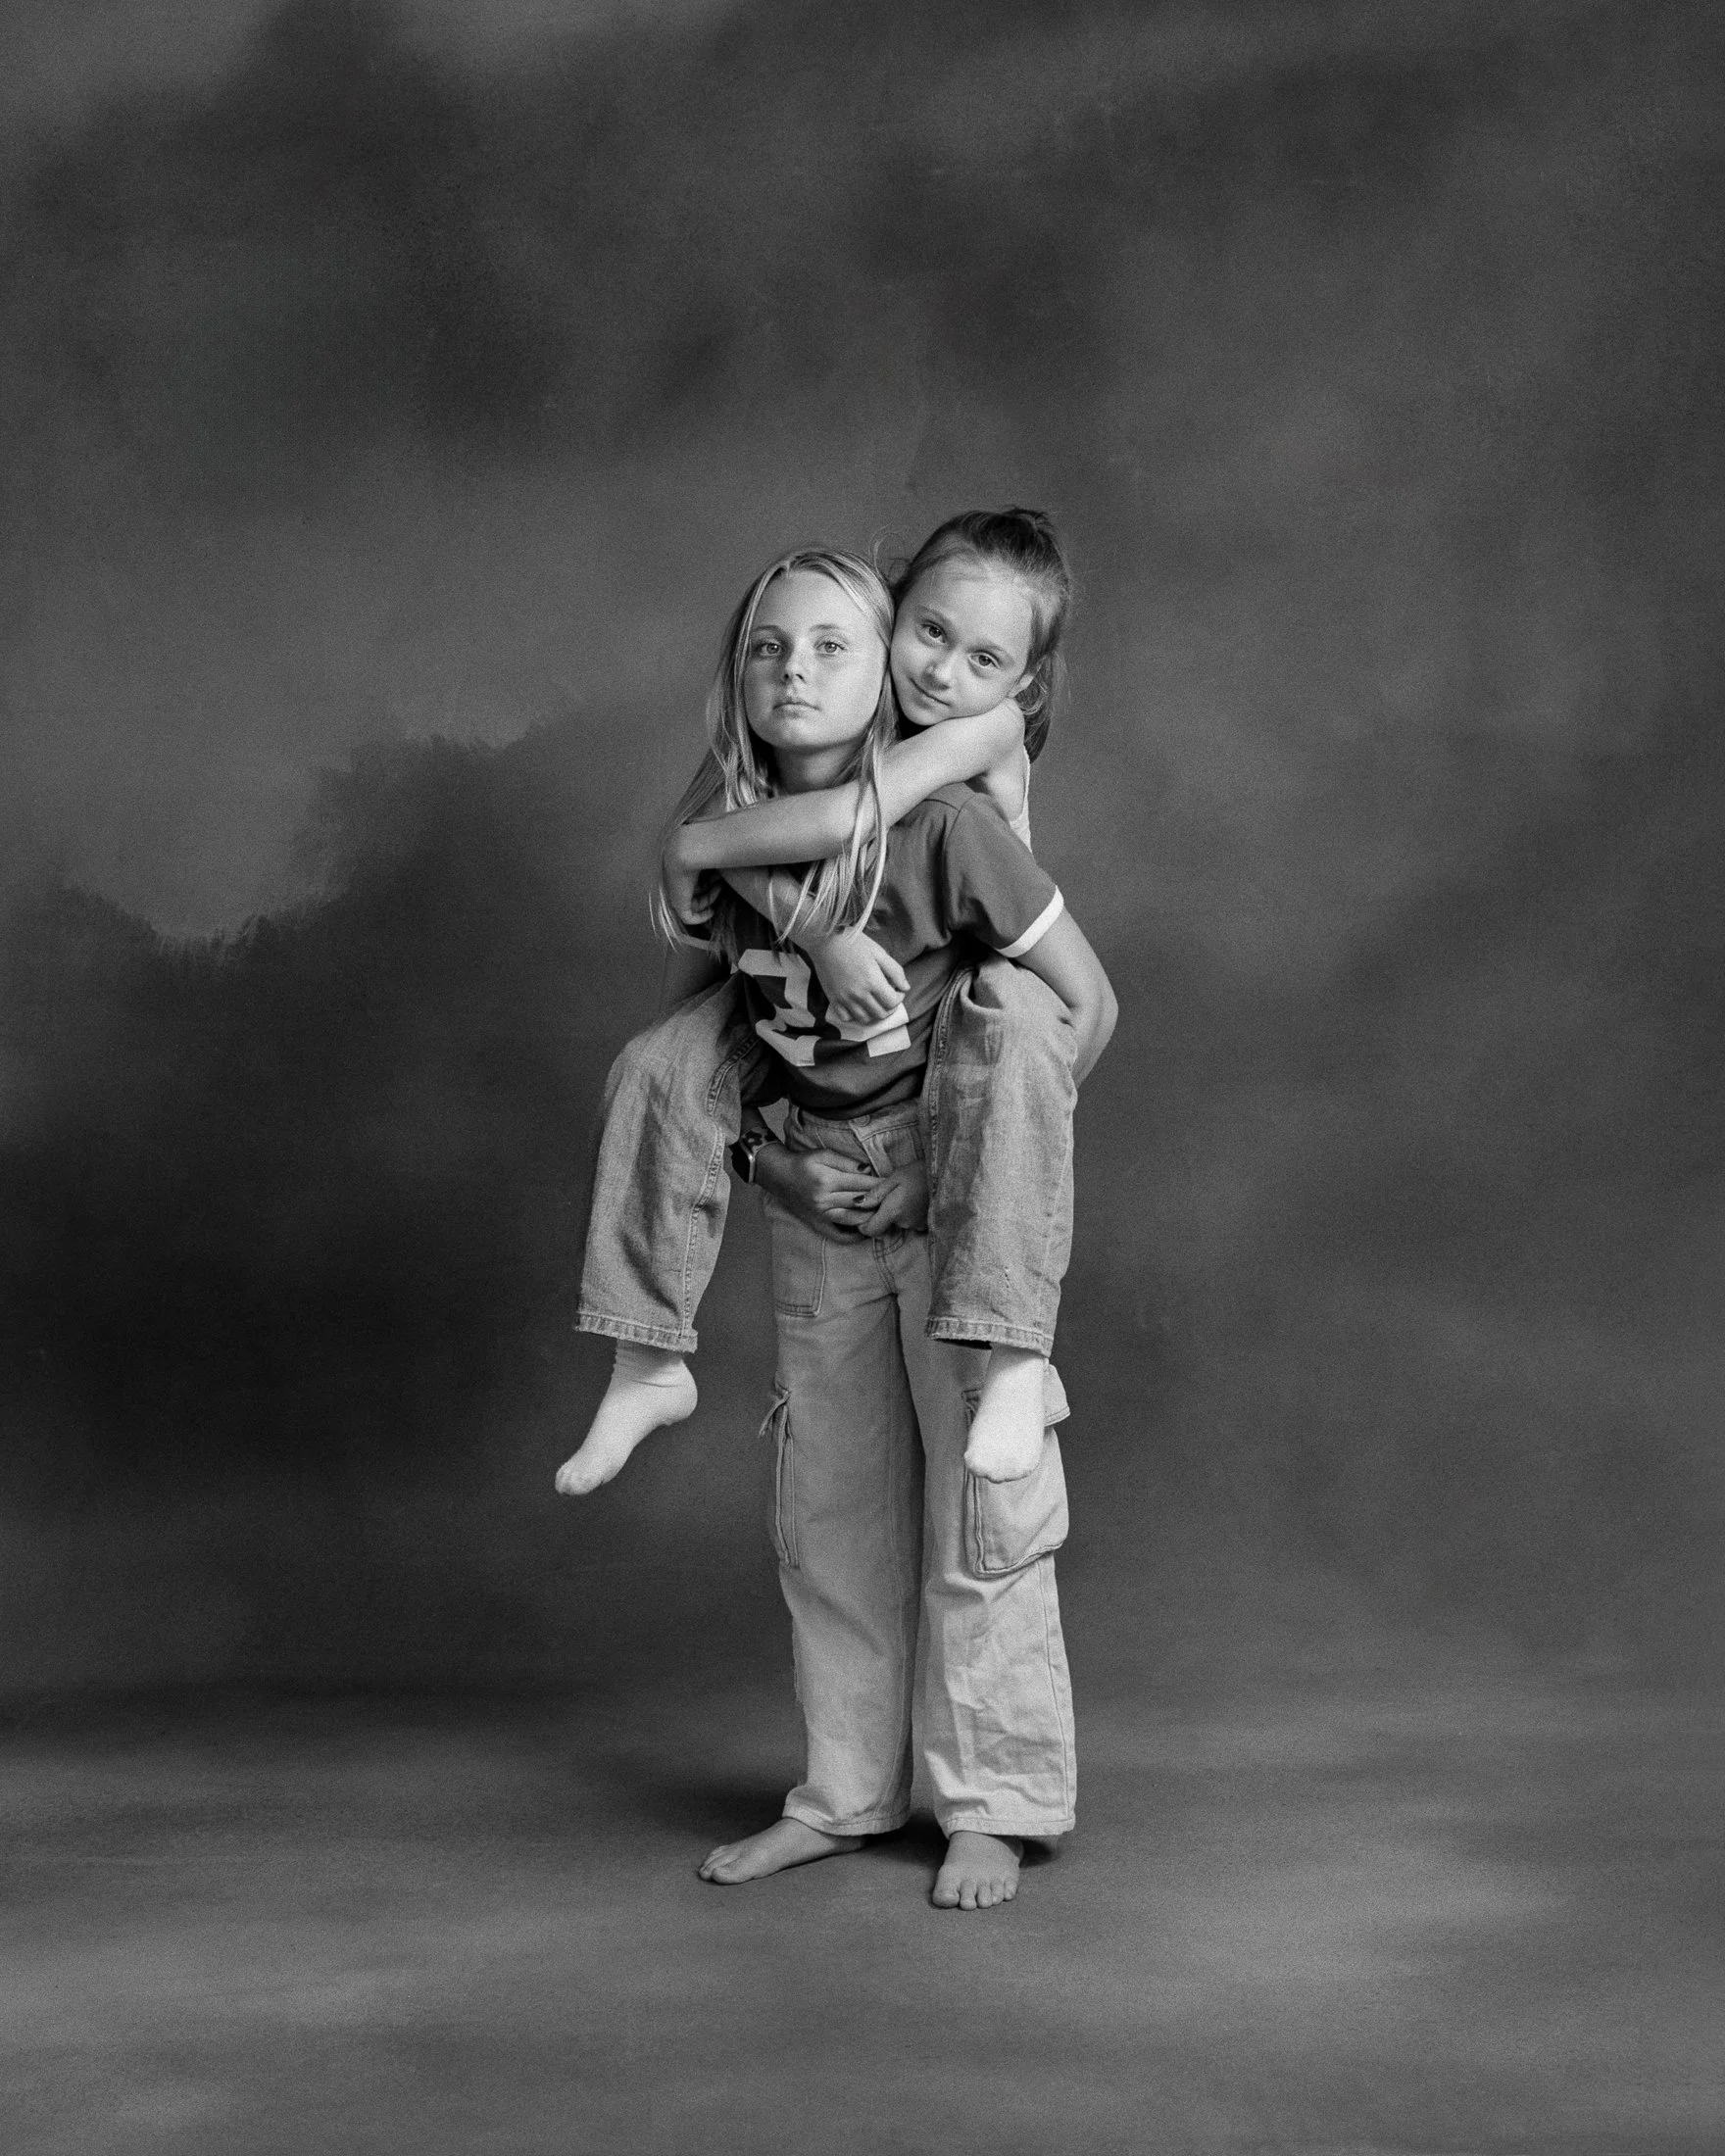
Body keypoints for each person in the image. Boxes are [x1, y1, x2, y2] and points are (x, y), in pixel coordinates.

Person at [618, 548, 1113, 1906]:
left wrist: (964, 1168)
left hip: (954, 1189)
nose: (936, 669)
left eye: (838, 648)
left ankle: (994, 1801)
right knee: (829, 1512)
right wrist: (773, 1168)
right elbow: (719, 1044)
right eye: (927, 638)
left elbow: (1081, 1008)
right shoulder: (747, 820)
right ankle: (842, 1793)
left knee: (983, 1506)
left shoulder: (952, 800)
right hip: (820, 1198)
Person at [559, 511, 1102, 1500]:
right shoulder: (739, 786)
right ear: (898, 615)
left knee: (980, 1538)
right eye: (927, 634)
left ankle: (1013, 1352)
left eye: (980, 654)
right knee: (653, 1065)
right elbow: (693, 1046)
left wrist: (700, 856)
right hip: (819, 1146)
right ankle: (644, 1359)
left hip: (957, 1089)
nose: (939, 672)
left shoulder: (968, 758)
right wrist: (799, 926)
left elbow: (845, 823)